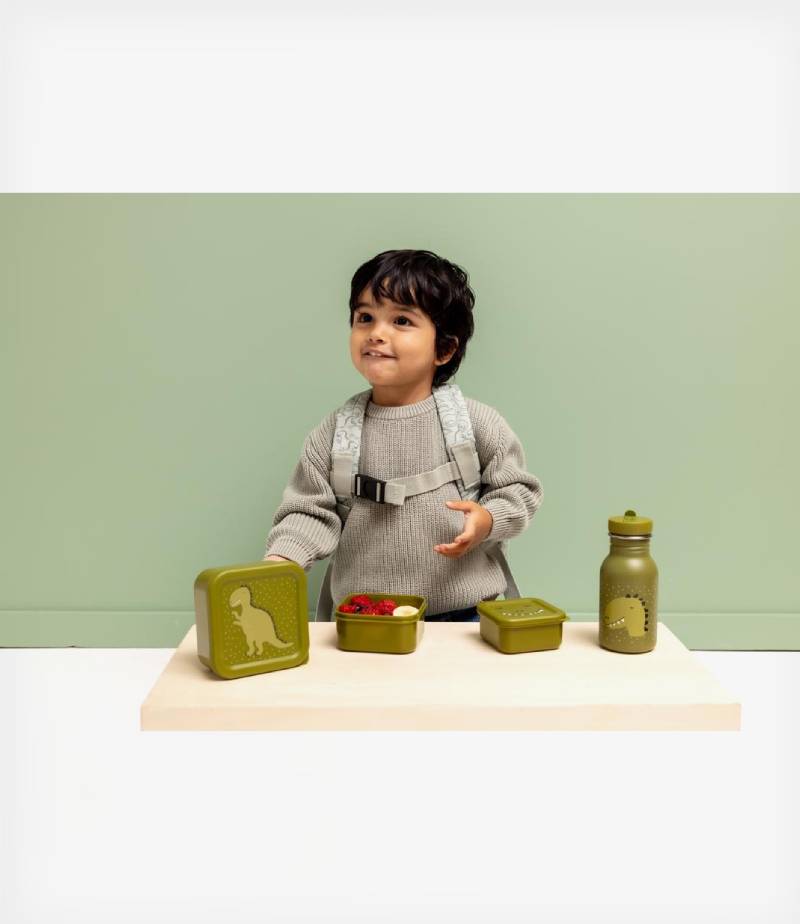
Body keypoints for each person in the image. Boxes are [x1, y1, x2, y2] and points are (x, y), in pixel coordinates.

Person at [263, 249, 543, 621]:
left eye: (401, 320)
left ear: (444, 348)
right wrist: (283, 559)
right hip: (365, 620)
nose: (376, 334)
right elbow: (310, 512)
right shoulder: (334, 434)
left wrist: (488, 520)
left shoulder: (474, 423)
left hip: (463, 617)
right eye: (365, 318)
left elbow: (519, 491)